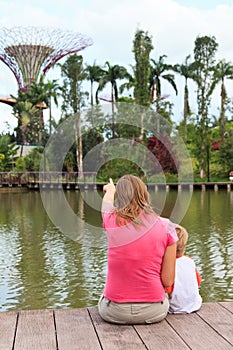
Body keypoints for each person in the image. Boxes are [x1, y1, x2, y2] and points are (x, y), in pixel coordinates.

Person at [98, 174, 178, 324]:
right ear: (145, 195)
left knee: (103, 297)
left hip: (114, 312)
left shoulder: (110, 220)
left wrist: (110, 190)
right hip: (154, 311)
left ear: (119, 198)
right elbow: (168, 281)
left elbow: (106, 206)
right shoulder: (167, 226)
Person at [165, 224, 202, 314]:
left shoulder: (167, 265)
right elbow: (198, 281)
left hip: (175, 309)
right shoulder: (189, 261)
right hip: (195, 305)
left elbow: (168, 289)